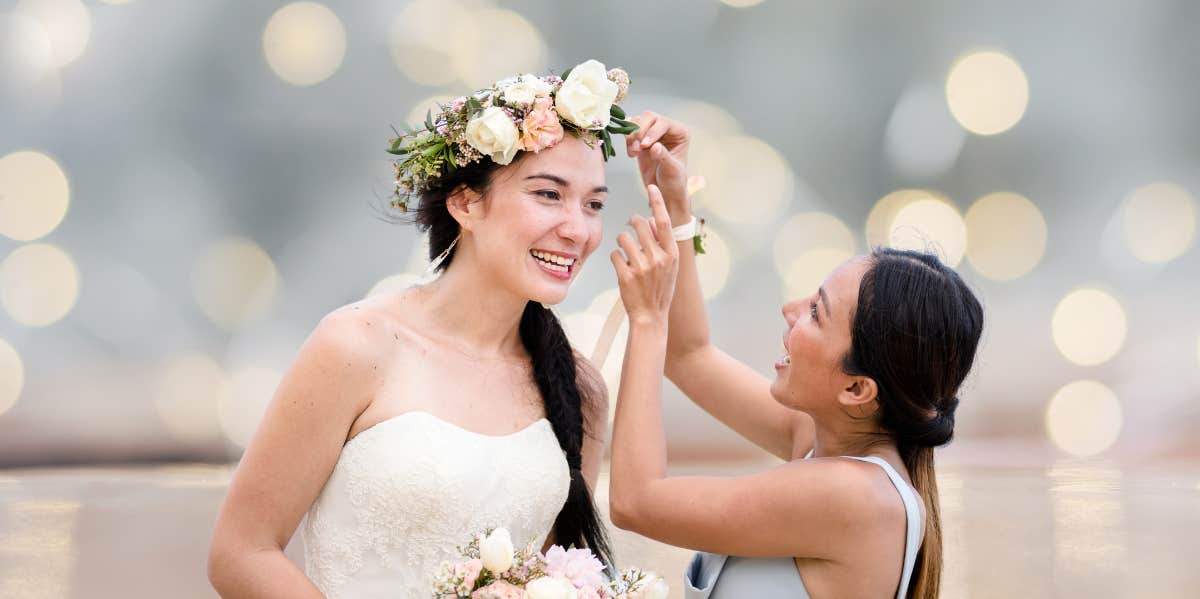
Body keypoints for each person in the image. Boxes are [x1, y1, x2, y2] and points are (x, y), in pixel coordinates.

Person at [207, 59, 640, 598]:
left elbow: (554, 577)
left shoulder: (577, 388)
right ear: (465, 202)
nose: (577, 229)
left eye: (594, 204)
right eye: (548, 194)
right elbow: (241, 553)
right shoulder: (357, 345)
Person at [607, 114, 984, 598]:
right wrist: (676, 207)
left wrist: (646, 318)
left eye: (816, 313)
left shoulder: (853, 495)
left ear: (856, 388)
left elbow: (635, 501)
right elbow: (689, 355)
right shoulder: (824, 443)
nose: (789, 310)